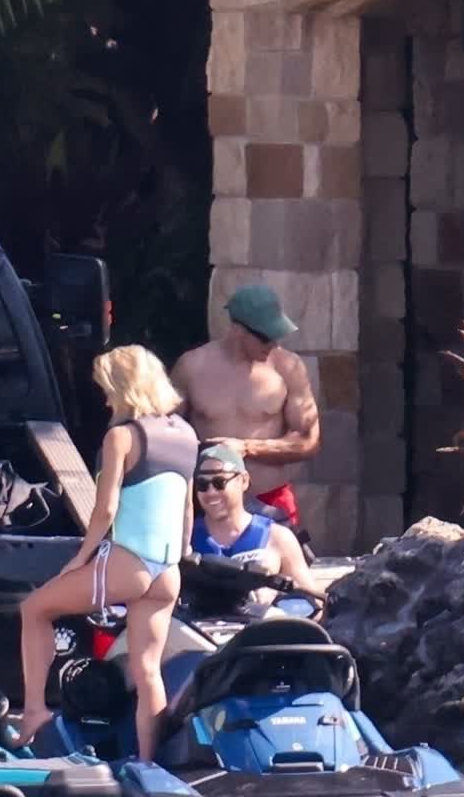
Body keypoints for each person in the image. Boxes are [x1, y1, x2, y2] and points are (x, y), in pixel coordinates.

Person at [16, 345, 197, 763]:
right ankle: (149, 764)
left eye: (106, 388)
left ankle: (34, 711)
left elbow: (106, 509)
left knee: (35, 609)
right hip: (168, 570)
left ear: (122, 387)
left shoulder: (122, 436)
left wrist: (81, 557)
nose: (104, 398)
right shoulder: (187, 435)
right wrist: (182, 551)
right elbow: (187, 508)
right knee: (147, 671)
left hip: (127, 563)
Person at [170, 283, 321, 544]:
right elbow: (165, 435)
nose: (273, 344)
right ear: (239, 330)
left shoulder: (287, 367)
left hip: (269, 497)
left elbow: (309, 441)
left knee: (286, 567)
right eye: (265, 337)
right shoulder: (192, 366)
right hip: (208, 500)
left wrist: (247, 447)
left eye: (277, 336)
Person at [190, 444, 322, 605]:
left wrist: (275, 597)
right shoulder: (184, 538)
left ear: (244, 481)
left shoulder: (277, 537)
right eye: (202, 485)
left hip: (259, 619)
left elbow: (314, 603)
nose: (211, 492)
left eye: (220, 482)